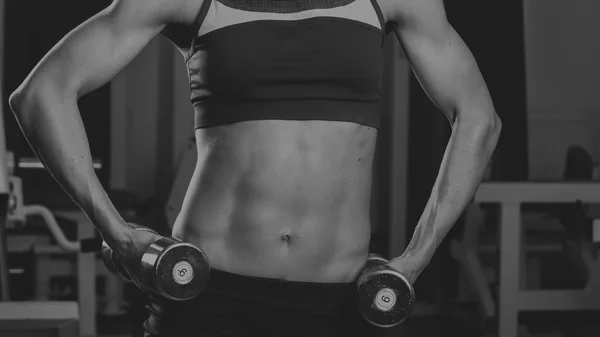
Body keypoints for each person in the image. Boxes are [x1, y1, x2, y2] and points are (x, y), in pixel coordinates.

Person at [8, 0, 501, 335]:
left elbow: (479, 118)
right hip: (207, 295)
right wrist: (119, 235)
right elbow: (41, 95)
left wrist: (416, 258)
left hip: (340, 304)